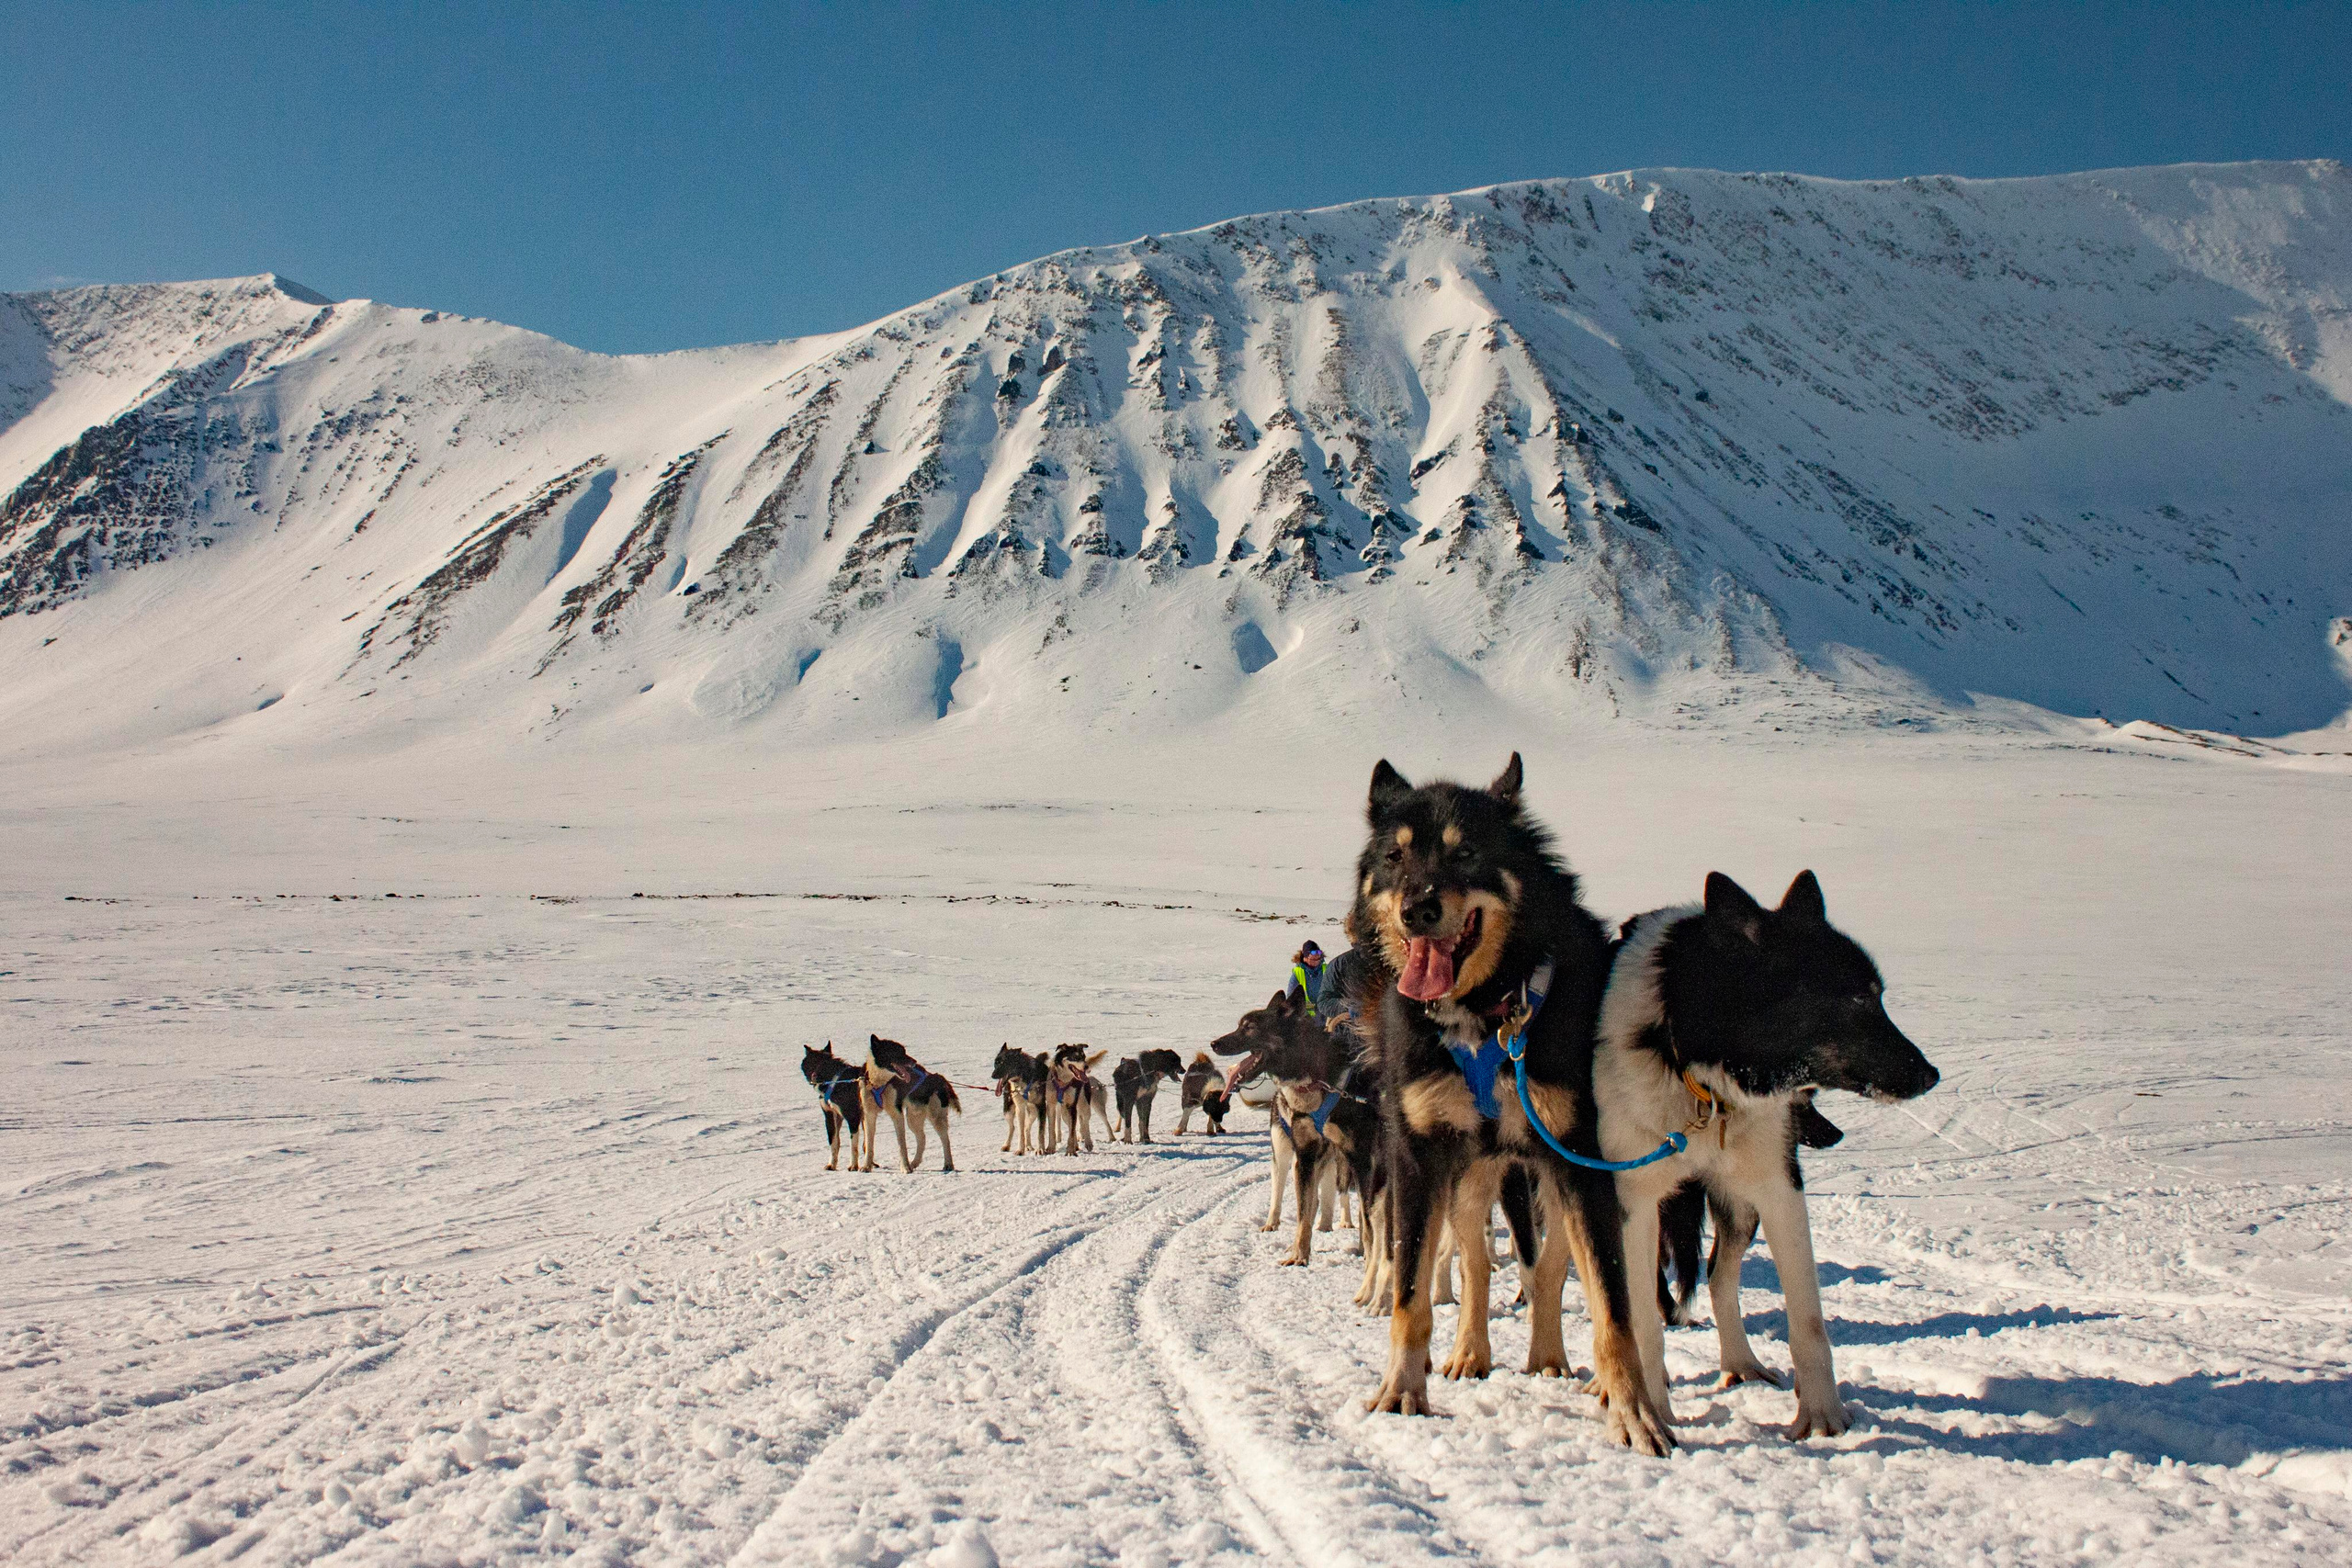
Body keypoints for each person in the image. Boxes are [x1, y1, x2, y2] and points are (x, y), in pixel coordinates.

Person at [1285, 941, 1328, 1018]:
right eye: (1313, 958)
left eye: (1318, 958)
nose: (1316, 959)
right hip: (1306, 1018)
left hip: (1326, 1014)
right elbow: (1291, 1000)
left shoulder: (1327, 970)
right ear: (1305, 958)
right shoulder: (1298, 974)